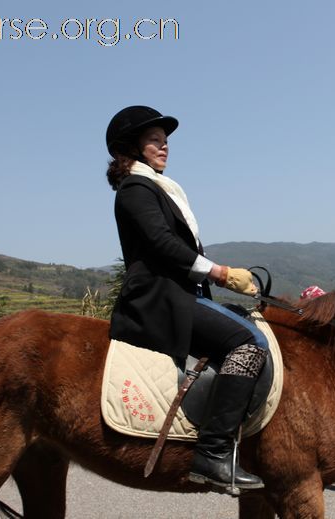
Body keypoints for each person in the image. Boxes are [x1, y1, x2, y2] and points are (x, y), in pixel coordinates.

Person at [105, 105, 268, 491]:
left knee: (252, 326)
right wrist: (222, 273)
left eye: (165, 142)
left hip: (180, 293)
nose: (164, 148)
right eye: (155, 141)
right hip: (158, 299)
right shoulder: (135, 188)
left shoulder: (157, 187)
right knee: (247, 343)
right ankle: (212, 453)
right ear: (133, 146)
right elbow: (163, 245)